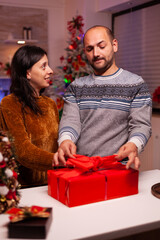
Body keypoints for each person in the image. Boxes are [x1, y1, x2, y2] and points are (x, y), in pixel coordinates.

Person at [53, 25, 152, 169]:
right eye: (89, 49)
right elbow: (70, 122)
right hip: (81, 168)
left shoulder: (135, 84)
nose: (96, 53)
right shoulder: (76, 87)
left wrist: (134, 144)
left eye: (101, 46)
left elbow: (141, 125)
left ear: (114, 45)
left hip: (118, 169)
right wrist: (65, 140)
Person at [0, 45, 59, 187]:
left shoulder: (50, 104)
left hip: (54, 181)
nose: (50, 71)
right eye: (43, 66)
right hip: (26, 188)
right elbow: (22, 150)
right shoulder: (10, 103)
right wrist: (58, 160)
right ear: (28, 73)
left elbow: (57, 143)